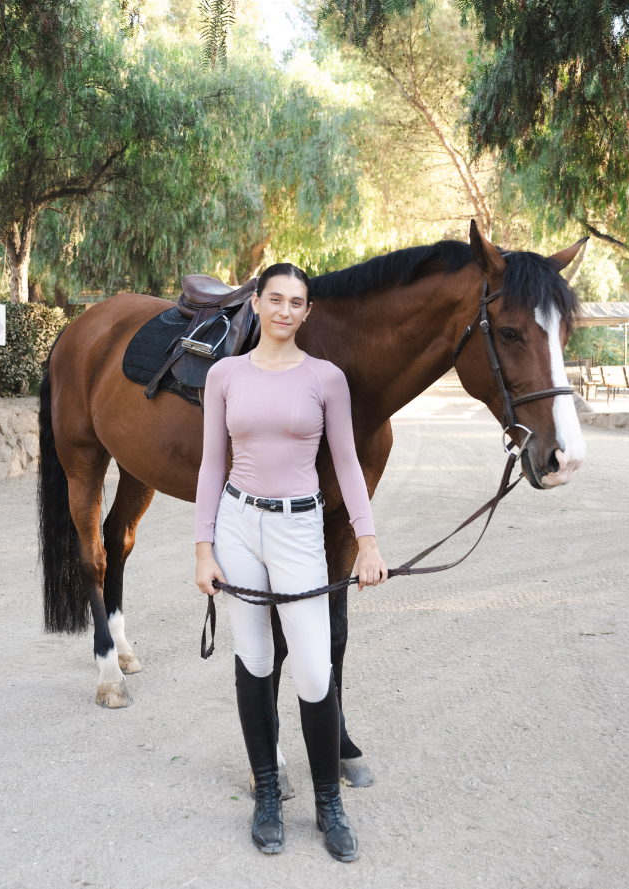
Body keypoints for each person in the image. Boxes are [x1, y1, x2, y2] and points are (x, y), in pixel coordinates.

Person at [194, 262, 387, 862]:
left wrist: (369, 540)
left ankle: (329, 802)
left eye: (295, 302)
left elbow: (349, 464)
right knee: (253, 658)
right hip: (237, 525)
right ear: (255, 304)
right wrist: (204, 546)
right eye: (273, 299)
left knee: (312, 666)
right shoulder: (224, 375)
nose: (283, 310)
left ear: (307, 312)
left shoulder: (326, 378)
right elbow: (210, 463)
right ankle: (269, 794)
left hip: (299, 527)